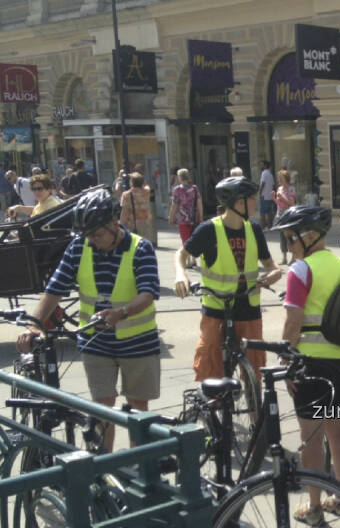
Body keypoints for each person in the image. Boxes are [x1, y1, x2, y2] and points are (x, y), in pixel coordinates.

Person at [16, 189, 160, 452]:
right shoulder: (79, 246)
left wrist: (121, 313)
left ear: (114, 223)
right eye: (88, 235)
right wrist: (34, 323)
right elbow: (55, 290)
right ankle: (105, 469)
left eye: (97, 234)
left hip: (138, 342)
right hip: (96, 343)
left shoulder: (141, 248)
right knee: (101, 406)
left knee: (138, 408)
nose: (93, 240)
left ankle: (142, 469)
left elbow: (148, 294)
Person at [271, 205, 340, 524]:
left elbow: (293, 322)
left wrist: (286, 361)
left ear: (308, 236)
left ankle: (313, 508)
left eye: (290, 238)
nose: (288, 246)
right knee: (337, 430)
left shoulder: (301, 270)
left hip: (311, 363)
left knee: (310, 436)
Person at [173, 176, 282, 381]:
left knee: (255, 364)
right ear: (238, 203)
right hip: (216, 305)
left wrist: (275, 272)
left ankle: (256, 410)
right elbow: (181, 254)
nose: (255, 203)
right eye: (251, 199)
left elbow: (270, 264)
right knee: (209, 357)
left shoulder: (254, 229)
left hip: (247, 305)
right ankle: (213, 405)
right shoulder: (209, 229)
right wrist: (181, 274)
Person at [169, 168, 203, 254]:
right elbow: (199, 203)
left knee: (185, 240)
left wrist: (171, 217)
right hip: (194, 218)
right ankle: (192, 259)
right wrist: (201, 217)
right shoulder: (195, 188)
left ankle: (188, 260)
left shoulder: (177, 189)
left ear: (179, 178)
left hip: (182, 219)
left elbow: (174, 205)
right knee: (193, 239)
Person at [119, 172, 154, 242]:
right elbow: (147, 185)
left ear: (132, 182)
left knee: (133, 245)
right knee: (144, 243)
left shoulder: (126, 195)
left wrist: (121, 225)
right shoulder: (147, 191)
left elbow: (124, 212)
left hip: (132, 225)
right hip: (145, 224)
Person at [273, 169, 297, 264]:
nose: (279, 179)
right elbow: (279, 204)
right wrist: (273, 199)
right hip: (280, 216)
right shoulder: (279, 189)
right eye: (278, 178)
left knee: (290, 236)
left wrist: (282, 198)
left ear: (286, 178)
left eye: (281, 178)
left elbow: (292, 203)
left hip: (289, 216)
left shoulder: (291, 189)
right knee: (282, 237)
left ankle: (293, 257)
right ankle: (284, 257)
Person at [258, 160, 275, 229]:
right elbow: (273, 185)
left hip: (264, 195)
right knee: (269, 212)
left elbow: (263, 183)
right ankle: (270, 226)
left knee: (262, 212)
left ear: (265, 166)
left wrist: (260, 192)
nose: (260, 166)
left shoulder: (264, 173)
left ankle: (262, 227)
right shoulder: (270, 174)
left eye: (262, 165)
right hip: (270, 196)